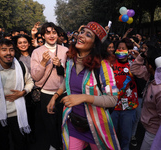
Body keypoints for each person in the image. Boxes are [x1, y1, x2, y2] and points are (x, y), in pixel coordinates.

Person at [47, 22, 120, 150]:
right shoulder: (70, 60)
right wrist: (55, 96)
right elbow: (67, 80)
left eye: (88, 35)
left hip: (97, 126)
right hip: (74, 123)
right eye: (82, 32)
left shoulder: (103, 66)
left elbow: (113, 99)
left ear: (94, 44)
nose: (81, 36)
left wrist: (84, 97)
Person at [0, 39, 34, 150]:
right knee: (2, 144)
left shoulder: (21, 66)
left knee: (21, 143)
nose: (8, 53)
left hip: (17, 113)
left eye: (11, 50)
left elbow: (30, 82)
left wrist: (23, 92)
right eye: (4, 50)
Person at [31, 22, 68, 150]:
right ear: (43, 35)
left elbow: (69, 74)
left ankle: (64, 145)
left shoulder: (65, 51)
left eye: (54, 32)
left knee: (63, 124)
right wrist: (42, 63)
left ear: (58, 35)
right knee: (49, 125)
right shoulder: (37, 52)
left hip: (63, 93)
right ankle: (53, 146)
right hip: (46, 94)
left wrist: (60, 66)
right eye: (48, 33)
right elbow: (35, 77)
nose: (51, 35)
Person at [130, 41, 161, 150]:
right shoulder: (153, 76)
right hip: (148, 128)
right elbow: (134, 69)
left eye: (145, 62)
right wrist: (142, 55)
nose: (143, 65)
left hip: (155, 133)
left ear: (149, 66)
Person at [110, 37, 138, 150]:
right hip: (112, 107)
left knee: (126, 137)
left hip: (129, 108)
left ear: (129, 50)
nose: (121, 50)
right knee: (112, 137)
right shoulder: (110, 64)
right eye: (119, 48)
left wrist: (138, 59)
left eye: (124, 48)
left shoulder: (134, 64)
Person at [12, 34, 36, 143]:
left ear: (29, 43)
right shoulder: (14, 58)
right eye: (20, 43)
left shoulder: (35, 54)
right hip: (22, 91)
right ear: (16, 45)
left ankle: (34, 135)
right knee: (25, 114)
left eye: (25, 42)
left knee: (35, 116)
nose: (23, 45)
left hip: (36, 90)